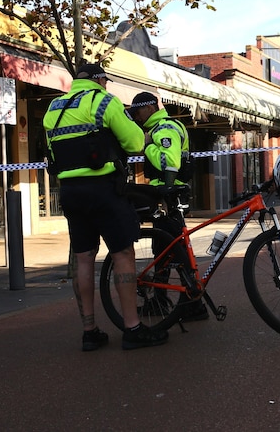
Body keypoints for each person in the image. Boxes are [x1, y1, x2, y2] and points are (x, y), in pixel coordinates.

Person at [43, 63, 168, 351]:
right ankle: (133, 327)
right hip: (104, 190)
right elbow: (135, 142)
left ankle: (90, 331)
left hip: (70, 192)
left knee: (84, 258)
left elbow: (52, 152)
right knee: (122, 253)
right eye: (105, 82)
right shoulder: (103, 101)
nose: (107, 86)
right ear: (99, 80)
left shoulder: (53, 109)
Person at [126, 91, 208, 321]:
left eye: (138, 111)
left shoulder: (163, 129)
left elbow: (168, 161)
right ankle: (187, 303)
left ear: (151, 107)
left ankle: (187, 303)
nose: (137, 117)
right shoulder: (161, 127)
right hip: (168, 193)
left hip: (169, 194)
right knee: (169, 249)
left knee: (170, 249)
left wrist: (148, 145)